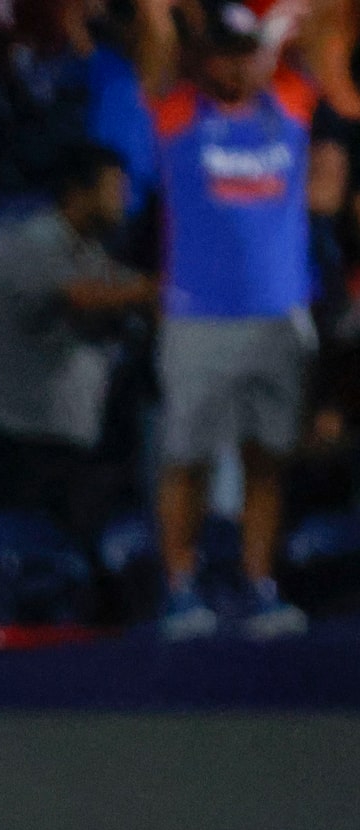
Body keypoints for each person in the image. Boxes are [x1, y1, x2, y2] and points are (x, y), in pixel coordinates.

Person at [135, 0, 317, 639]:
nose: (234, 68)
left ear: (259, 58)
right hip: (199, 317)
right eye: (222, 55)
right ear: (204, 58)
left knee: (267, 457)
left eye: (244, 55)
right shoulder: (180, 112)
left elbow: (324, 33)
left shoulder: (290, 106)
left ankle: (257, 585)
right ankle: (181, 589)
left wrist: (286, 22)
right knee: (187, 457)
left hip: (279, 314)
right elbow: (155, 45)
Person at [0, 147, 155, 546]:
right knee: (17, 556)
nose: (124, 200)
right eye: (114, 189)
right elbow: (83, 296)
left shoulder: (92, 252)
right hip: (13, 439)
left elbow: (131, 292)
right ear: (78, 192)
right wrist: (155, 288)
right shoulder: (34, 239)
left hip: (61, 441)